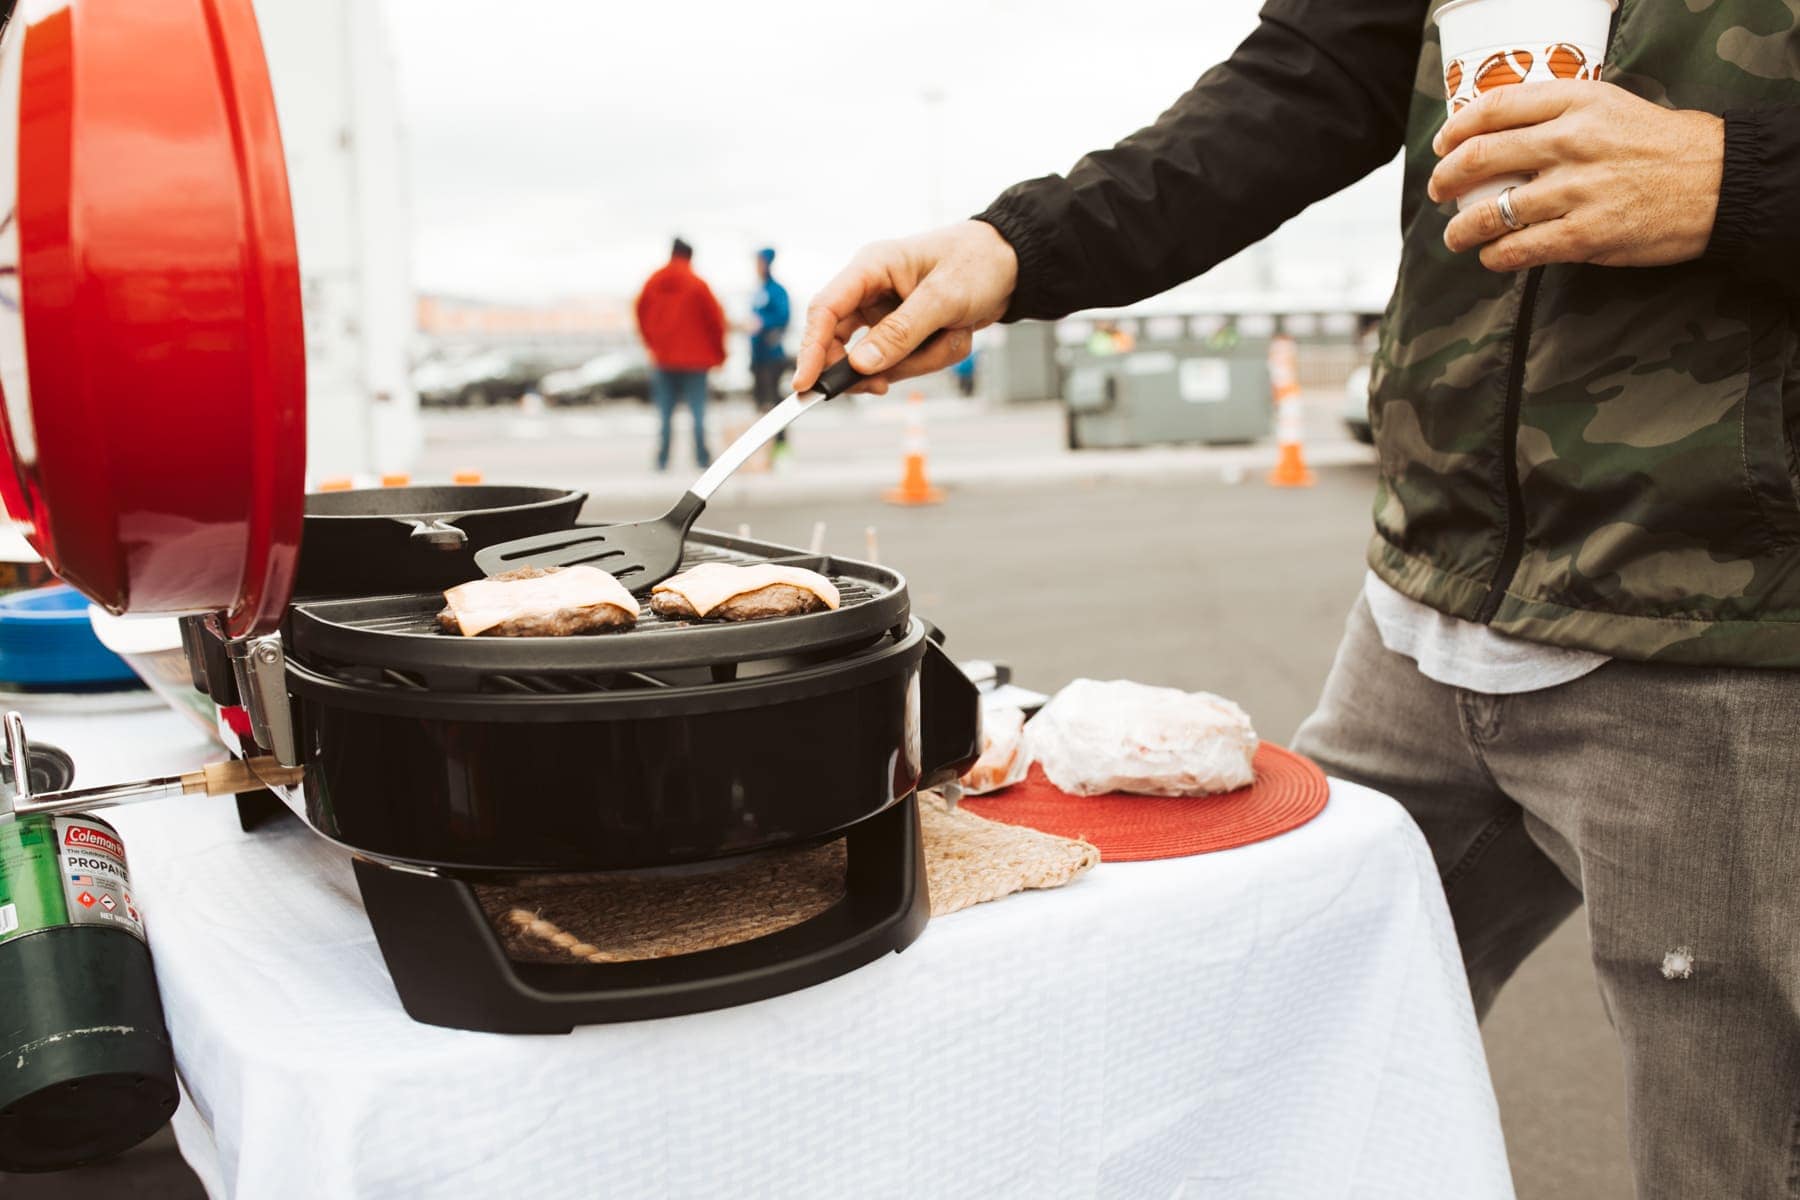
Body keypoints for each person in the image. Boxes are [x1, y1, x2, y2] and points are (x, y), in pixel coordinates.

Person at [791, 7, 1800, 1197]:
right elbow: (1312, 74)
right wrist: (1016, 245)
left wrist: (1747, 181)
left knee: (1734, 1163)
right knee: (1257, 1080)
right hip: (1421, 609)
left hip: (1730, 627)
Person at [635, 237, 725, 470]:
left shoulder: (653, 281)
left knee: (665, 414)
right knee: (697, 412)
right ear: (690, 256)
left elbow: (640, 312)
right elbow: (715, 321)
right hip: (696, 359)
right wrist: (720, 354)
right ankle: (702, 459)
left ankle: (662, 460)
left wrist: (651, 343)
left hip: (663, 358)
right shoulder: (697, 284)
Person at [748, 246, 793, 461]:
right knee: (760, 405)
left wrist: (762, 324)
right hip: (757, 357)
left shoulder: (776, 290)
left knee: (775, 404)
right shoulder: (759, 290)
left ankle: (781, 450)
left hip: (772, 356)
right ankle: (763, 454)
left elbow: (783, 317)